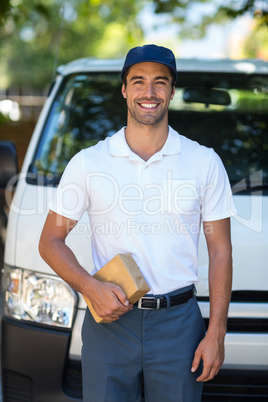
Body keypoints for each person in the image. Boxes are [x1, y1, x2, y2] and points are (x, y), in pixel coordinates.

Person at [39, 44, 236, 402]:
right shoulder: (89, 163)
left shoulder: (204, 162)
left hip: (180, 325)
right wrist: (89, 287)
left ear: (172, 90)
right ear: (125, 89)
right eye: (139, 81)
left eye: (160, 82)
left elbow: (220, 249)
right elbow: (50, 240)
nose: (149, 92)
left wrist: (217, 331)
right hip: (110, 322)